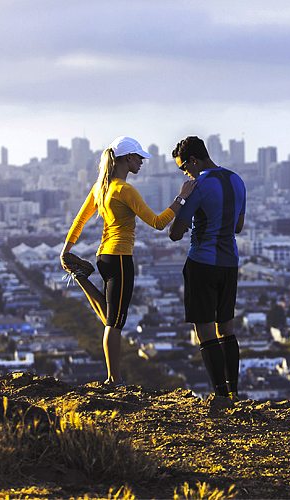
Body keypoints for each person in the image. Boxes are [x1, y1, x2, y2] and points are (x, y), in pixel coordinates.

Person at [61, 136, 196, 386]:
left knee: (110, 315)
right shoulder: (124, 189)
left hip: (103, 257)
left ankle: (81, 277)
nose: (142, 162)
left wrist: (66, 250)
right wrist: (182, 197)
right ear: (126, 159)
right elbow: (157, 222)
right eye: (139, 157)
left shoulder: (100, 187)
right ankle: (114, 379)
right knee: (115, 323)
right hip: (121, 257)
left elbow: (79, 221)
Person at [169, 136, 246, 400]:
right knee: (227, 327)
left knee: (204, 327)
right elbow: (238, 226)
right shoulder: (237, 180)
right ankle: (234, 391)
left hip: (202, 263)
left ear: (193, 160)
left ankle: (220, 395)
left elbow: (175, 232)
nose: (184, 172)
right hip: (230, 262)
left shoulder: (198, 185)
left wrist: (182, 198)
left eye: (183, 167)